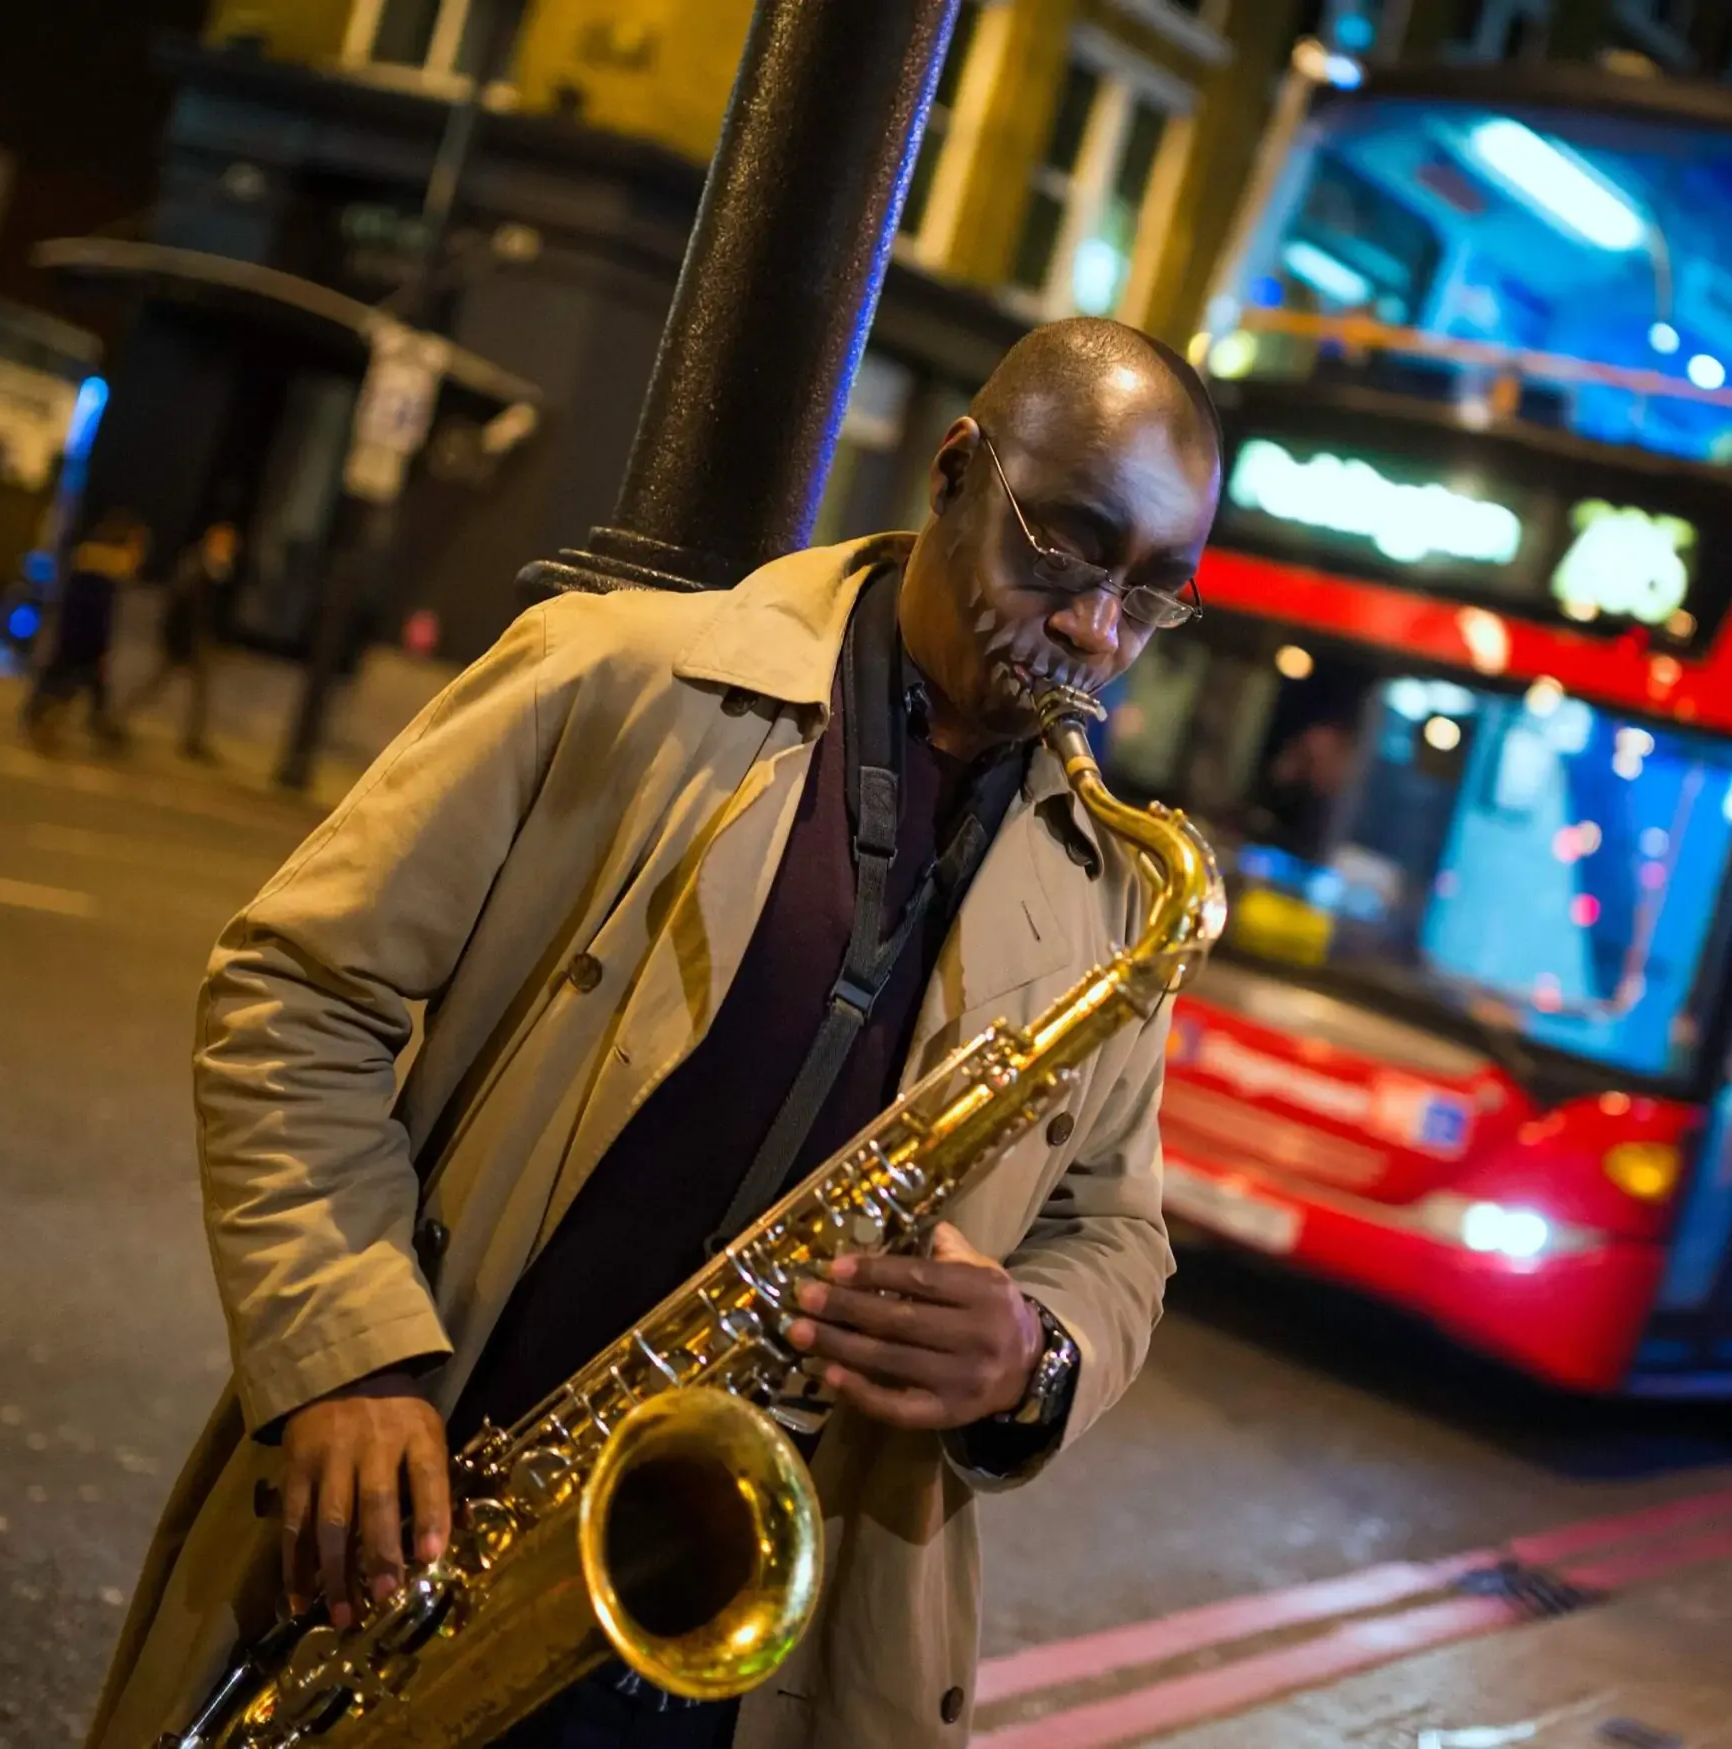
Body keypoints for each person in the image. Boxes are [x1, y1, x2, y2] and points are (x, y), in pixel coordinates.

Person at [85, 318, 1223, 1749]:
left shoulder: (1123, 894)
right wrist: (349, 1357)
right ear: (953, 469)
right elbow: (294, 990)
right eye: (1063, 547)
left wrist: (1035, 1355)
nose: (1094, 630)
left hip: (742, 1658)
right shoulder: (608, 676)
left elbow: (1117, 1229)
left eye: (1151, 597)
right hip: (411, 1529)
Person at [24, 508, 149, 754]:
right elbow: (95, 615)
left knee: (77, 683)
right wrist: (99, 646)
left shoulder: (91, 565)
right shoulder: (103, 573)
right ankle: (49, 724)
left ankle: (89, 724)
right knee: (67, 684)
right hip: (83, 641)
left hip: (75, 638)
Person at [123, 520, 240, 761]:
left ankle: (193, 740)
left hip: (195, 640)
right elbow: (184, 606)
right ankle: (117, 718)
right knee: (157, 682)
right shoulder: (197, 567)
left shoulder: (213, 569)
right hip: (185, 639)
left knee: (197, 690)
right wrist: (178, 638)